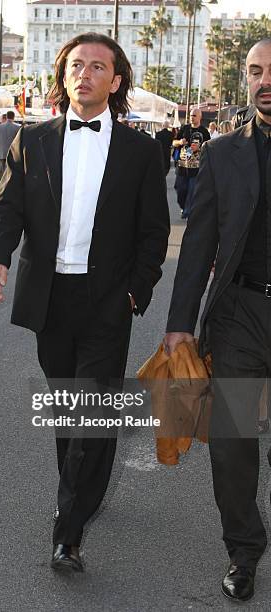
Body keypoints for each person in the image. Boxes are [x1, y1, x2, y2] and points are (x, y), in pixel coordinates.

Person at [0, 32, 169, 573]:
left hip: (108, 299)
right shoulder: (33, 141)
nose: (84, 74)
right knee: (71, 407)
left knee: (90, 409)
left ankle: (69, 531)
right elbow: (6, 208)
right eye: (76, 65)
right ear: (63, 76)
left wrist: (137, 290)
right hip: (50, 298)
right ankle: (79, 493)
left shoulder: (140, 150)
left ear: (115, 80)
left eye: (97, 67)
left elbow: (154, 231)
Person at [163, 39, 271, 602]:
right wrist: (180, 322)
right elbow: (199, 241)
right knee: (232, 442)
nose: (263, 80)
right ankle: (244, 549)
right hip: (240, 314)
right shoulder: (224, 152)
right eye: (255, 71)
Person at [173, 108, 210, 219]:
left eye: (194, 115)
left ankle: (187, 211)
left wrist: (199, 147)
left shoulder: (204, 131)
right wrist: (180, 142)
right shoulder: (184, 129)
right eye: (190, 115)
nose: (192, 117)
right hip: (182, 166)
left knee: (192, 190)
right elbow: (174, 142)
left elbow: (209, 146)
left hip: (196, 167)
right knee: (180, 189)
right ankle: (183, 206)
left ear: (200, 117)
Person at [0, 110, 20, 187]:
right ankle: (9, 187)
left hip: (1, 154)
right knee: (11, 172)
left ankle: (2, 187)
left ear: (6, 116)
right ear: (13, 117)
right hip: (13, 154)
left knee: (2, 172)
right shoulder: (17, 127)